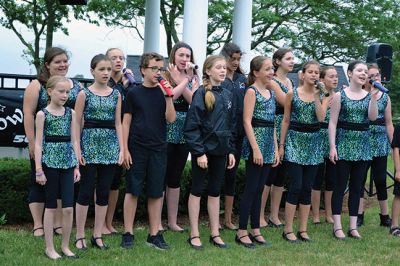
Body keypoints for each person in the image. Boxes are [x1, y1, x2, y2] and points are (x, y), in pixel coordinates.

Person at [23, 47, 81, 237]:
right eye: (57, 62)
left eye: (65, 61)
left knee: (61, 187)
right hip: (43, 145)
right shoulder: (36, 86)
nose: (62, 64)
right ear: (47, 65)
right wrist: (32, 144)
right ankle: (38, 224)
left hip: (65, 147)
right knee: (38, 182)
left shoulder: (75, 86)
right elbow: (28, 115)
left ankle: (56, 224)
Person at [120, 52, 176, 250]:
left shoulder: (163, 93)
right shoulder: (134, 93)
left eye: (160, 69)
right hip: (137, 146)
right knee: (133, 190)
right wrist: (124, 149)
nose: (158, 73)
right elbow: (126, 122)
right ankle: (128, 233)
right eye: (154, 68)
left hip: (158, 147)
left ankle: (154, 234)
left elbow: (171, 119)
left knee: (156, 192)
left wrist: (169, 96)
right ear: (143, 70)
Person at [184, 55, 236, 250]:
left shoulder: (228, 93)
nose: (223, 70)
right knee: (197, 189)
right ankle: (194, 233)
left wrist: (230, 149)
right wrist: (199, 153)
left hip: (221, 151)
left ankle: (215, 233)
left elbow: (230, 125)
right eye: (218, 67)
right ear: (208, 71)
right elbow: (191, 127)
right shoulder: (200, 94)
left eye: (224, 67)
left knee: (215, 191)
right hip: (204, 151)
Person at [74, 54, 123, 250]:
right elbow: (76, 123)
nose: (105, 73)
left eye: (108, 69)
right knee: (85, 191)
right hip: (89, 146)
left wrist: (121, 149)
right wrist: (77, 149)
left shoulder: (116, 94)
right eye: (101, 69)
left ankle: (97, 235)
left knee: (103, 191)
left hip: (110, 147)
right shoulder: (83, 94)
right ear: (92, 70)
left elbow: (118, 123)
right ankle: (79, 236)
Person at [329, 60, 378, 240]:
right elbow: (332, 122)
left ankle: (352, 226)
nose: (364, 73)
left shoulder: (367, 95)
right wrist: (333, 146)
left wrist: (373, 97)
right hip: (343, 146)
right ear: (350, 73)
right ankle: (337, 226)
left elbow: (372, 117)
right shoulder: (340, 96)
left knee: (357, 188)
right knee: (340, 186)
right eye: (359, 70)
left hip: (363, 147)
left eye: (365, 71)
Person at [34, 76, 80, 260]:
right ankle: (49, 248)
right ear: (50, 91)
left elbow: (74, 139)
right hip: (50, 164)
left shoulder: (71, 113)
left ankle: (65, 246)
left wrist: (77, 166)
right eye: (61, 91)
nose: (65, 95)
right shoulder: (42, 114)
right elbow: (38, 144)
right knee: (51, 207)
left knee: (68, 208)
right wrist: (39, 169)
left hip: (68, 163)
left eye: (68, 92)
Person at [279, 60, 325, 242]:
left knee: (307, 188)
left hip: (313, 144)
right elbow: (285, 120)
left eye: (317, 72)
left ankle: (303, 229)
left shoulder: (319, 94)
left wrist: (316, 97)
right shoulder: (292, 94)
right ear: (303, 74)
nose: (314, 75)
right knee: (296, 186)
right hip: (294, 142)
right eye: (311, 72)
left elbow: (321, 118)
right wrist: (281, 145)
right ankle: (288, 229)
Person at [235, 56, 279, 248]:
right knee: (251, 189)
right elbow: (246, 121)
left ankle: (255, 229)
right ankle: (241, 231)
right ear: (256, 72)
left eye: (272, 69)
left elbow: (273, 124)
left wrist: (276, 149)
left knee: (260, 190)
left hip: (269, 145)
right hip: (256, 145)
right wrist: (255, 149)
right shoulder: (251, 92)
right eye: (268, 69)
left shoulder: (270, 92)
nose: (271, 72)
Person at [163, 42, 199, 232]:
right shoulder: (164, 74)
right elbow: (171, 95)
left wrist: (185, 80)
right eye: (181, 55)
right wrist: (182, 81)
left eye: (188, 56)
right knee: (161, 175)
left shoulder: (194, 77)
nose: (185, 59)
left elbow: (194, 99)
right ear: (173, 56)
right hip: (167, 126)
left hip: (185, 130)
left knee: (175, 176)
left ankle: (172, 221)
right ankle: (157, 220)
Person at [260, 48, 294, 228]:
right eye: (288, 58)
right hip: (275, 124)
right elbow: (285, 102)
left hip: (288, 128)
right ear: (277, 61)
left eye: (293, 58)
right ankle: (259, 215)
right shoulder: (272, 81)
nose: (292, 61)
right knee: (270, 173)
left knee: (281, 175)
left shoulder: (289, 80)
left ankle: (274, 215)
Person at [102, 48, 134, 235]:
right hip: (104, 135)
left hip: (122, 135)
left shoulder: (128, 84)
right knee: (104, 181)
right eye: (114, 58)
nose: (118, 61)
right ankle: (100, 222)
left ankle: (109, 222)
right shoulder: (104, 82)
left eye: (121, 58)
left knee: (115, 182)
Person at [357, 63, 393, 227]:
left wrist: (393, 145)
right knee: (360, 179)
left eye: (376, 75)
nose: (374, 78)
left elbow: (389, 123)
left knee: (380, 179)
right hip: (363, 141)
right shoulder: (359, 95)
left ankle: (384, 216)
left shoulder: (386, 97)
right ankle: (359, 215)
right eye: (371, 76)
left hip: (380, 144)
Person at [220, 42, 247, 230]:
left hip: (238, 134)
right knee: (217, 177)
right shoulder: (219, 78)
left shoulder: (242, 80)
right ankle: (213, 217)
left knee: (231, 176)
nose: (236, 62)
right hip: (220, 134)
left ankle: (228, 219)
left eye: (238, 59)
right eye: (233, 59)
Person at [311, 66, 338, 224]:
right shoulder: (318, 95)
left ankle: (328, 214)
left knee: (331, 180)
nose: (335, 79)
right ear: (322, 79)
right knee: (316, 178)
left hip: (333, 139)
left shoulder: (341, 95)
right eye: (331, 76)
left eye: (336, 76)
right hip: (318, 137)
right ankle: (315, 215)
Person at [390, 125, 400, 236]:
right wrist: (398, 170)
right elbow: (396, 149)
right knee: (399, 195)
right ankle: (394, 225)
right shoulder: (399, 128)